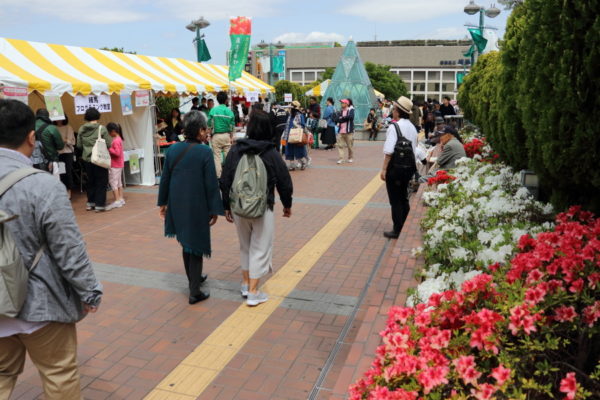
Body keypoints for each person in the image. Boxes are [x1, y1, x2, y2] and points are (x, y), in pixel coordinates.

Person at [0, 99, 102, 400]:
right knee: (59, 374)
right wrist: (89, 291)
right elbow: (68, 248)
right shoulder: (42, 185)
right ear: (32, 137)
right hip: (40, 302)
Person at [220, 110, 293, 306]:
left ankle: (245, 284)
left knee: (245, 245)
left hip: (239, 207)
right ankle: (253, 292)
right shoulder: (271, 152)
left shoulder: (236, 150)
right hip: (263, 207)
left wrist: (226, 205)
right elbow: (284, 181)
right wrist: (287, 204)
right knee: (260, 248)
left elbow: (225, 178)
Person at [158, 110, 224, 304]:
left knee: (187, 242)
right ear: (200, 130)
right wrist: (214, 209)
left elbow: (165, 179)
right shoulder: (204, 151)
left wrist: (163, 203)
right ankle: (194, 291)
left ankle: (194, 278)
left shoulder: (173, 150)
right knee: (195, 245)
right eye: (206, 129)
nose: (207, 132)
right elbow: (211, 183)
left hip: (177, 203)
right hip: (197, 205)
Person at [380, 96, 418, 239]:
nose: (393, 111)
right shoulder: (413, 128)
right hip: (408, 168)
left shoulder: (394, 127)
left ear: (398, 111)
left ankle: (397, 229)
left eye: (394, 109)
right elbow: (414, 149)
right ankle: (405, 226)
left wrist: (384, 169)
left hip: (395, 169)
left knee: (395, 200)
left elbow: (389, 151)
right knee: (403, 197)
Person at [76, 107, 112, 212]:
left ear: (86, 117)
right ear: (97, 116)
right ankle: (99, 204)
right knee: (101, 181)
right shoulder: (102, 128)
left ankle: (90, 203)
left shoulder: (81, 129)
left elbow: (79, 145)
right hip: (99, 158)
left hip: (87, 159)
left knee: (90, 181)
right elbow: (109, 143)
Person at [207, 91, 235, 178]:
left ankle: (218, 177)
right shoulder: (229, 111)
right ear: (226, 100)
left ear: (217, 100)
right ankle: (228, 176)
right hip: (226, 136)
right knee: (228, 158)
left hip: (216, 136)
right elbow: (232, 126)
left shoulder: (213, 110)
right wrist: (231, 137)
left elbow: (209, 124)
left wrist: (209, 135)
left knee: (217, 158)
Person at [106, 122, 125, 210]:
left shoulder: (116, 140)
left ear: (113, 131)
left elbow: (117, 153)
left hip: (115, 164)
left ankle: (117, 200)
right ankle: (120, 198)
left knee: (113, 182)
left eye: (109, 132)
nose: (109, 134)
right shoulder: (119, 138)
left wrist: (109, 148)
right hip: (119, 164)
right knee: (119, 182)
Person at [55, 116, 75, 199]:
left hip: (67, 152)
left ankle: (69, 190)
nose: (58, 119)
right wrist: (64, 140)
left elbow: (70, 141)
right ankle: (64, 190)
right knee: (61, 172)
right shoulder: (54, 128)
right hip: (59, 153)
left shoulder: (68, 127)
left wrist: (64, 140)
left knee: (67, 172)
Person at [284, 101, 307, 170]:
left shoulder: (300, 115)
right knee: (289, 151)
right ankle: (292, 165)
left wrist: (296, 125)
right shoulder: (290, 115)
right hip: (289, 136)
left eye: (291, 106)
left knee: (298, 151)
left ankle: (303, 163)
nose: (290, 108)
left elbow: (303, 125)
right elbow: (287, 125)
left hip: (296, 136)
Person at [336, 98, 355, 164]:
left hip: (348, 131)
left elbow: (351, 117)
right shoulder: (341, 111)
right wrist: (343, 119)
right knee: (340, 145)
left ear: (347, 104)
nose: (341, 104)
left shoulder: (350, 110)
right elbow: (337, 119)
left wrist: (342, 118)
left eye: (343, 103)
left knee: (350, 146)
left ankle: (350, 158)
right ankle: (341, 158)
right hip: (341, 131)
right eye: (341, 103)